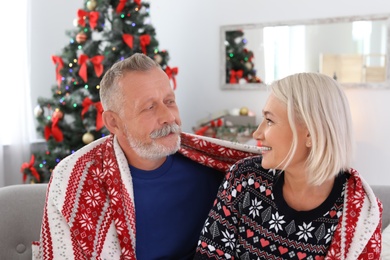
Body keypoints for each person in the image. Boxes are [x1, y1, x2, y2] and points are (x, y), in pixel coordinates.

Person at [32, 53, 263, 259]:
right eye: (149, 108)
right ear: (113, 122)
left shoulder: (214, 171)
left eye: (169, 101)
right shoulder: (75, 179)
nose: (168, 117)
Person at [194, 72, 383, 259]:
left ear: (310, 134)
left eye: (269, 121)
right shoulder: (244, 178)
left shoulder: (359, 214)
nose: (257, 134)